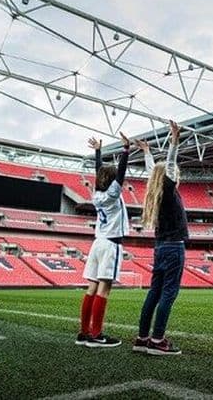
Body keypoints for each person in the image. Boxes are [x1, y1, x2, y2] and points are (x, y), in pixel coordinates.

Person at [133, 120, 188, 356]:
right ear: (168, 177)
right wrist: (174, 141)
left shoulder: (156, 192)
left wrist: (147, 152)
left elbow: (152, 171)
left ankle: (142, 338)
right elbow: (171, 165)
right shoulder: (167, 190)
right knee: (168, 293)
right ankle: (157, 340)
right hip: (174, 248)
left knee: (154, 292)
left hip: (160, 247)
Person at [76, 132, 130, 348]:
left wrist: (98, 152)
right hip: (110, 244)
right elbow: (121, 173)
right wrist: (125, 150)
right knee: (104, 289)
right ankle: (97, 335)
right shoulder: (112, 194)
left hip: (97, 243)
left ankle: (84, 332)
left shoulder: (96, 195)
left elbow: (100, 174)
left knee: (92, 287)